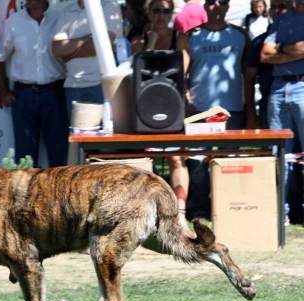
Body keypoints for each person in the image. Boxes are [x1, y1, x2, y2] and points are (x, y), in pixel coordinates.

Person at [176, 0, 250, 221]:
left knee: (230, 162)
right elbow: (181, 73)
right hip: (201, 111)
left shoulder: (241, 35)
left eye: (222, 2)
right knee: (198, 163)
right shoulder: (192, 36)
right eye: (211, 1)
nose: (217, 5)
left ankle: (229, 207)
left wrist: (250, 110)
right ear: (205, 6)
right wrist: (187, 99)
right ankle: (199, 211)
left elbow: (248, 74)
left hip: (232, 110)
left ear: (228, 6)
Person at [133, 0, 191, 222]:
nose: (161, 15)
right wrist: (153, 42)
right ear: (149, 12)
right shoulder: (139, 39)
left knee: (176, 159)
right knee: (147, 160)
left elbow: (181, 71)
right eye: (157, 10)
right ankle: (150, 212)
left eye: (167, 11)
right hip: (145, 106)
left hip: (173, 105)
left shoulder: (181, 38)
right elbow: (137, 67)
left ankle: (180, 211)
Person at [0, 0, 69, 167]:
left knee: (59, 154)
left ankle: (58, 193)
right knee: (25, 158)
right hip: (24, 96)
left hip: (55, 93)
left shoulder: (60, 18)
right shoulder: (14, 22)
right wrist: (4, 91)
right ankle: (27, 194)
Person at [261, 0, 304, 225]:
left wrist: (281, 47)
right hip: (278, 87)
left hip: (301, 86)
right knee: (279, 152)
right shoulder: (281, 21)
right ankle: (282, 212)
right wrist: (293, 50)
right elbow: (266, 55)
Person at [51, 0, 123, 118]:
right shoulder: (66, 11)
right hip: (73, 86)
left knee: (104, 134)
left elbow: (102, 45)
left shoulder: (109, 5)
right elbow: (57, 49)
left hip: (101, 85)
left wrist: (69, 55)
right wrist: (90, 37)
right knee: (77, 136)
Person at [244, 0, 291, 130]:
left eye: (282, 7)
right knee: (273, 149)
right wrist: (251, 113)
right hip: (269, 103)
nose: (276, 11)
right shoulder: (258, 42)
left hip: (298, 99)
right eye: (273, 7)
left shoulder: (299, 37)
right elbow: (249, 79)